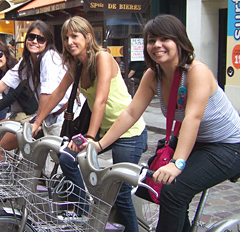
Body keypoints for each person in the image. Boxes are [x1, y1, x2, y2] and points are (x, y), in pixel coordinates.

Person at [85, 14, 240, 231]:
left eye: (164, 39)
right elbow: (130, 113)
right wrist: (99, 145)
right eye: (151, 40)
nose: (157, 45)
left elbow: (192, 118)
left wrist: (177, 163)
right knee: (155, 189)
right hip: (198, 141)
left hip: (228, 145)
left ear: (179, 41)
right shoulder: (153, 75)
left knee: (173, 192)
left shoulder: (197, 72)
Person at [31, 16, 147, 231]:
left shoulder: (102, 57)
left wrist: (90, 139)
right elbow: (57, 93)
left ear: (88, 37)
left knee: (119, 193)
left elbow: (101, 100)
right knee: (67, 157)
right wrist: (37, 122)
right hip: (104, 130)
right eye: (66, 37)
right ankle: (83, 209)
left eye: (74, 36)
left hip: (128, 131)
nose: (69, 42)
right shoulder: (77, 64)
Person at [0, 20, 70, 150]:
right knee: (36, 158)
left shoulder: (49, 57)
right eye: (31, 37)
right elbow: (3, 83)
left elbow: (47, 93)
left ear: (47, 42)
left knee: (61, 158)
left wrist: (37, 121)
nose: (34, 41)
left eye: (40, 39)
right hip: (47, 116)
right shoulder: (27, 61)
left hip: (62, 116)